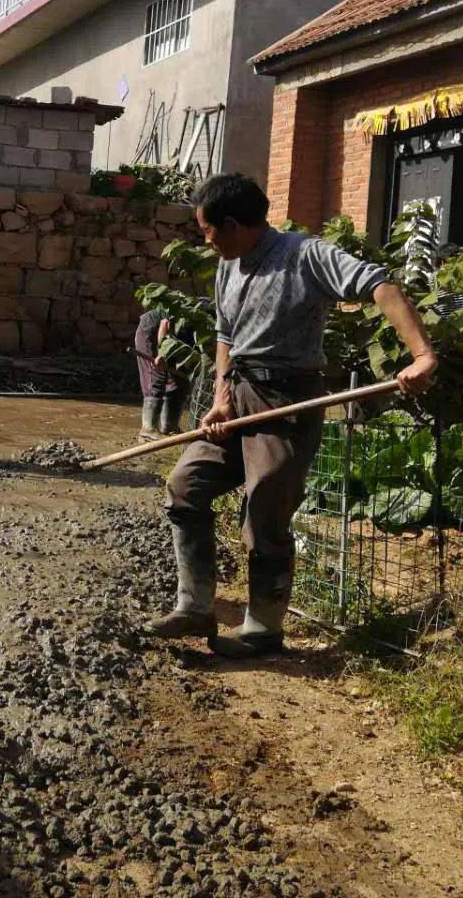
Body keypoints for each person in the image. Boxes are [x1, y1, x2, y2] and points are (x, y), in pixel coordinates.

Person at [148, 173, 437, 658]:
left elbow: (379, 285)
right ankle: (194, 606)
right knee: (185, 486)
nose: (205, 240)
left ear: (235, 224)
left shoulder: (305, 255)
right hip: (237, 396)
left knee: (265, 514)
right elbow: (225, 334)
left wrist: (422, 354)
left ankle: (263, 630)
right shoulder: (229, 265)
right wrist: (220, 397)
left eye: (207, 230)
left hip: (285, 402)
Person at [133, 307, 185, 436]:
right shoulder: (196, 309)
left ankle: (169, 426)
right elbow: (164, 324)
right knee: (156, 375)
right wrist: (161, 354)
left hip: (173, 340)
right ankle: (148, 429)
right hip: (151, 331)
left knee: (180, 378)